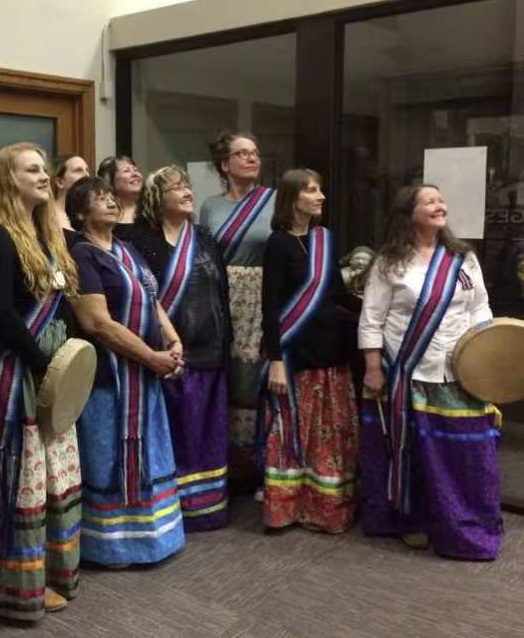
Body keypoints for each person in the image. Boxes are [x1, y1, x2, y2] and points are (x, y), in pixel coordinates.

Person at [0, 143, 82, 621]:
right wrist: (43, 362)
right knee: (16, 475)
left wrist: (70, 360)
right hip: (13, 371)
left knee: (47, 476)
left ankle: (48, 571)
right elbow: (3, 315)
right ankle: (8, 584)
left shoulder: (45, 234)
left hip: (47, 366)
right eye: (32, 170)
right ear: (9, 180)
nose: (44, 176)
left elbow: (62, 302)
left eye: (45, 168)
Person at [358, 183, 502, 560]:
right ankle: (413, 521)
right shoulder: (389, 262)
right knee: (415, 453)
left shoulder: (463, 257)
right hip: (407, 374)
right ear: (410, 214)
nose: (440, 205)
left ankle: (465, 526)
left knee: (465, 453)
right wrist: (373, 368)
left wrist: (483, 352)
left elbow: (480, 307)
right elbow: (371, 319)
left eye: (440, 200)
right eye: (429, 202)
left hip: (460, 374)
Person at [67, 175, 186, 566]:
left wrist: (172, 341)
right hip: (108, 383)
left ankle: (154, 540)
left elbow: (153, 300)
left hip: (145, 378)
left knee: (150, 455)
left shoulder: (128, 249)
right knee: (108, 459)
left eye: (111, 197)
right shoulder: (81, 255)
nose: (111, 202)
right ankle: (111, 548)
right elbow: (96, 323)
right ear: (79, 212)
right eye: (99, 198)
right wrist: (151, 357)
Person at [125, 166, 232, 531]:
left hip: (210, 354)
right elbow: (140, 299)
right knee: (174, 435)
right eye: (177, 188)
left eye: (188, 186)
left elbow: (221, 292)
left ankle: (208, 509)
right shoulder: (140, 239)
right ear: (158, 198)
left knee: (206, 435)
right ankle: (174, 510)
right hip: (168, 357)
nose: (187, 192)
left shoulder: (204, 236)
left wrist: (226, 344)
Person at [259, 169, 361, 534]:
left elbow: (337, 294)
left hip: (332, 349)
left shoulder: (324, 239)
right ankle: (289, 509)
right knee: (294, 431)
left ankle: (327, 509)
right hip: (296, 354)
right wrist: (274, 360)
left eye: (320, 190)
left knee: (330, 433)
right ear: (292, 198)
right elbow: (270, 306)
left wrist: (377, 308)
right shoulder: (278, 243)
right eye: (312, 191)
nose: (321, 196)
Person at [199, 131, 276, 492]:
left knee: (257, 376)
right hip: (222, 299)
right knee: (226, 374)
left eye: (255, 152)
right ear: (224, 164)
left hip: (262, 298)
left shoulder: (275, 201)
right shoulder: (210, 207)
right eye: (242, 153)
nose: (252, 158)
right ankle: (228, 465)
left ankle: (262, 464)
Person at [49, 153, 90, 235]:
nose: (87, 175)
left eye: (87, 170)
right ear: (60, 182)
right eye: (78, 171)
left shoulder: (89, 214)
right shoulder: (47, 215)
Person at [98, 155, 142, 228]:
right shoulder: (102, 216)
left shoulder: (152, 212)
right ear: (109, 180)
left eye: (135, 170)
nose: (135, 174)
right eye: (126, 171)